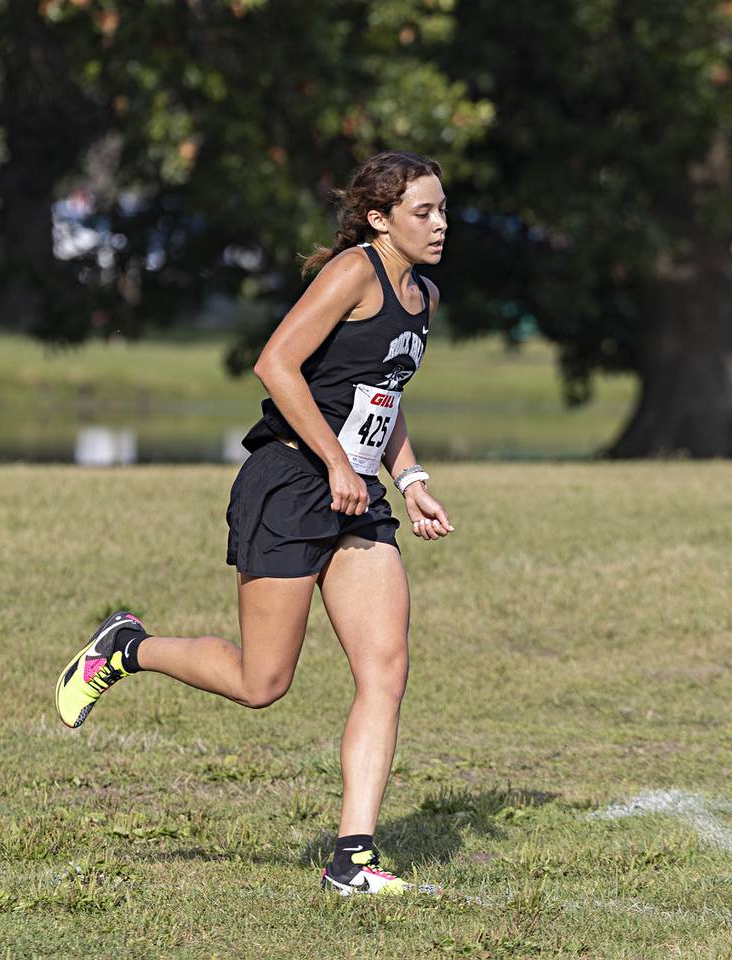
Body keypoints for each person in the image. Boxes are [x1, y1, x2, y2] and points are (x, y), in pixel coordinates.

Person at [53, 151, 453, 896]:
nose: (440, 224)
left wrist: (411, 477)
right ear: (379, 219)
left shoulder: (421, 295)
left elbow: (384, 393)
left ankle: (351, 860)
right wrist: (334, 461)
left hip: (357, 491)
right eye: (423, 211)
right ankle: (125, 648)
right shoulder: (353, 274)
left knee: (385, 669)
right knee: (262, 681)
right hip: (291, 481)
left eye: (442, 210)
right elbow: (275, 365)